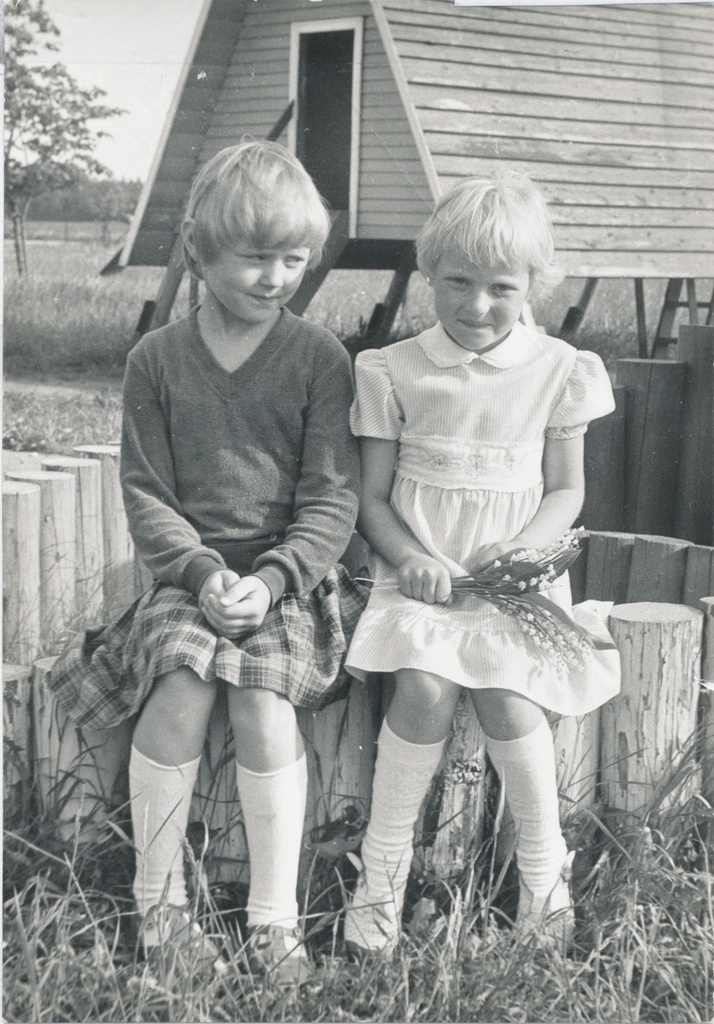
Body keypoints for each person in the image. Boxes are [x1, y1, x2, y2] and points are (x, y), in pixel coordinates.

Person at [49, 140, 366, 983]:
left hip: (290, 583)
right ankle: (160, 911)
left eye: (294, 260)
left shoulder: (318, 360)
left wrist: (270, 579)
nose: (276, 278)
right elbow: (147, 493)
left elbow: (333, 499)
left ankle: (274, 922)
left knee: (263, 700)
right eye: (256, 259)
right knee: (182, 681)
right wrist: (199, 574)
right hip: (187, 578)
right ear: (197, 248)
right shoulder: (155, 361)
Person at [343, 171, 621, 954]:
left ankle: (544, 873)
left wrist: (526, 547)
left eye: (501, 287)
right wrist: (407, 556)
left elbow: (567, 491)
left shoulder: (562, 370)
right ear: (429, 275)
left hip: (515, 581)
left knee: (505, 695)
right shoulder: (392, 369)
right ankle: (382, 875)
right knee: (425, 687)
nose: (475, 306)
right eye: (457, 283)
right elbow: (371, 496)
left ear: (536, 283)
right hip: (420, 575)